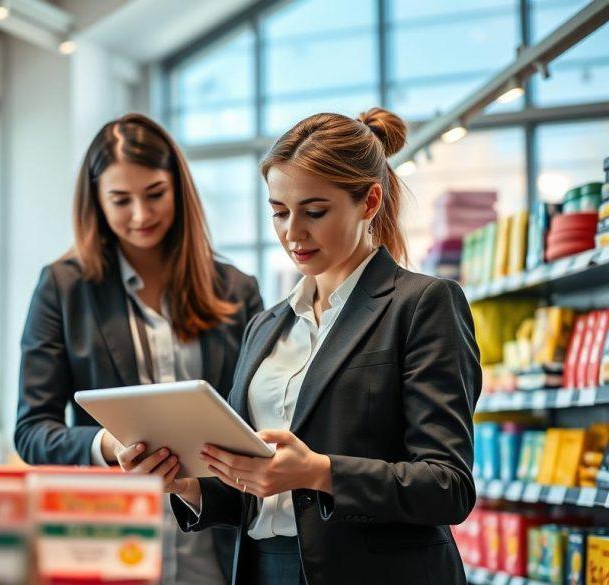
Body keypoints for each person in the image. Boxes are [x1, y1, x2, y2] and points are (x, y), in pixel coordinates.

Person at [120, 108, 481, 585]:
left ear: (370, 201)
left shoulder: (423, 304)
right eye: (279, 211)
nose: (293, 233)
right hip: (264, 569)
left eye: (315, 212)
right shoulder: (266, 325)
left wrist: (319, 472)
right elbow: (251, 492)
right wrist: (187, 484)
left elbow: (448, 487)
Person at [15, 113, 264, 584]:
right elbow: (31, 430)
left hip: (215, 547)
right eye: (120, 200)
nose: (141, 215)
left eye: (154, 194)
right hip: (104, 543)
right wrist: (107, 445)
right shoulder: (63, 288)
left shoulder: (236, 290)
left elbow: (259, 416)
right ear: (96, 203)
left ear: (178, 189)